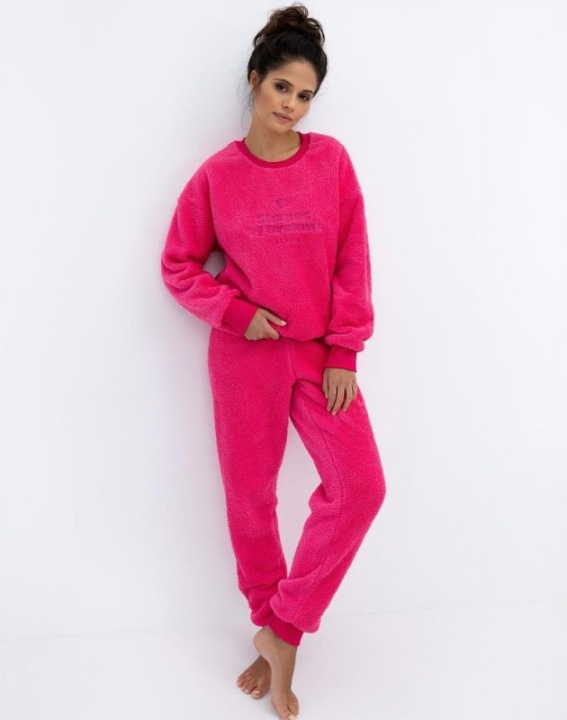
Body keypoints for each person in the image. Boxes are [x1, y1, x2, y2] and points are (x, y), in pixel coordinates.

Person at [160, 4, 386, 719]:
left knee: (361, 488)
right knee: (251, 500)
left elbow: (352, 257)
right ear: (255, 80)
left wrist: (344, 350)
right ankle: (272, 633)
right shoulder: (216, 177)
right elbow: (177, 264)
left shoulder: (331, 162)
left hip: (321, 356)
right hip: (245, 358)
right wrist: (235, 312)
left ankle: (280, 630)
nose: (291, 104)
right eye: (282, 86)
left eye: (305, 94)